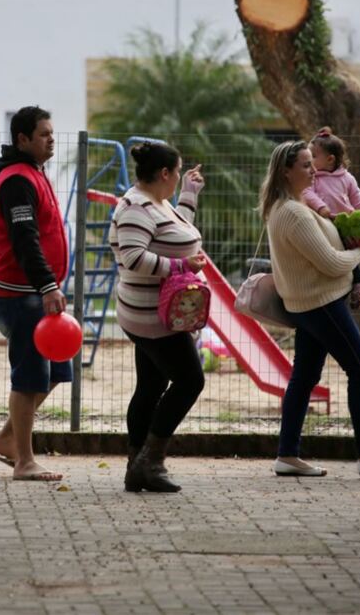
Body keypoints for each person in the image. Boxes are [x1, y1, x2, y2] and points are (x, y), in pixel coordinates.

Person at [259, 140, 360, 477]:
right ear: (286, 171)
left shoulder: (291, 207)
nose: (313, 171)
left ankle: (287, 455)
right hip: (320, 303)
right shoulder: (294, 213)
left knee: (305, 376)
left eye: (313, 163)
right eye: (305, 165)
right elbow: (329, 262)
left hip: (311, 303)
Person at [109, 142, 208, 493]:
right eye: (178, 173)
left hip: (157, 314)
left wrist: (189, 196)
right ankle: (150, 461)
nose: (179, 177)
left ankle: (137, 468)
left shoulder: (158, 204)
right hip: (153, 318)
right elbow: (134, 257)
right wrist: (182, 266)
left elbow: (175, 236)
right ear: (164, 173)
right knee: (190, 381)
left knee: (150, 387)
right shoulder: (135, 206)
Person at [0, 105, 69, 482]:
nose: (52, 140)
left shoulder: (33, 173)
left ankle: (6, 439)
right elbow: (24, 239)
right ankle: (24, 461)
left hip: (35, 294)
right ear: (23, 139)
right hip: (22, 296)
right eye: (44, 135)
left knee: (57, 369)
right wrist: (47, 285)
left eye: (52, 133)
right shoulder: (18, 180)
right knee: (29, 376)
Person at [302, 127, 360, 309]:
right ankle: (355, 285)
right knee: (333, 256)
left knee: (347, 252)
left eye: (313, 156)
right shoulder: (313, 177)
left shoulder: (347, 178)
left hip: (344, 224)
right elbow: (307, 193)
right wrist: (322, 208)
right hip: (323, 222)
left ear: (330, 159)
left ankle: (358, 285)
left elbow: (358, 199)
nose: (310, 161)